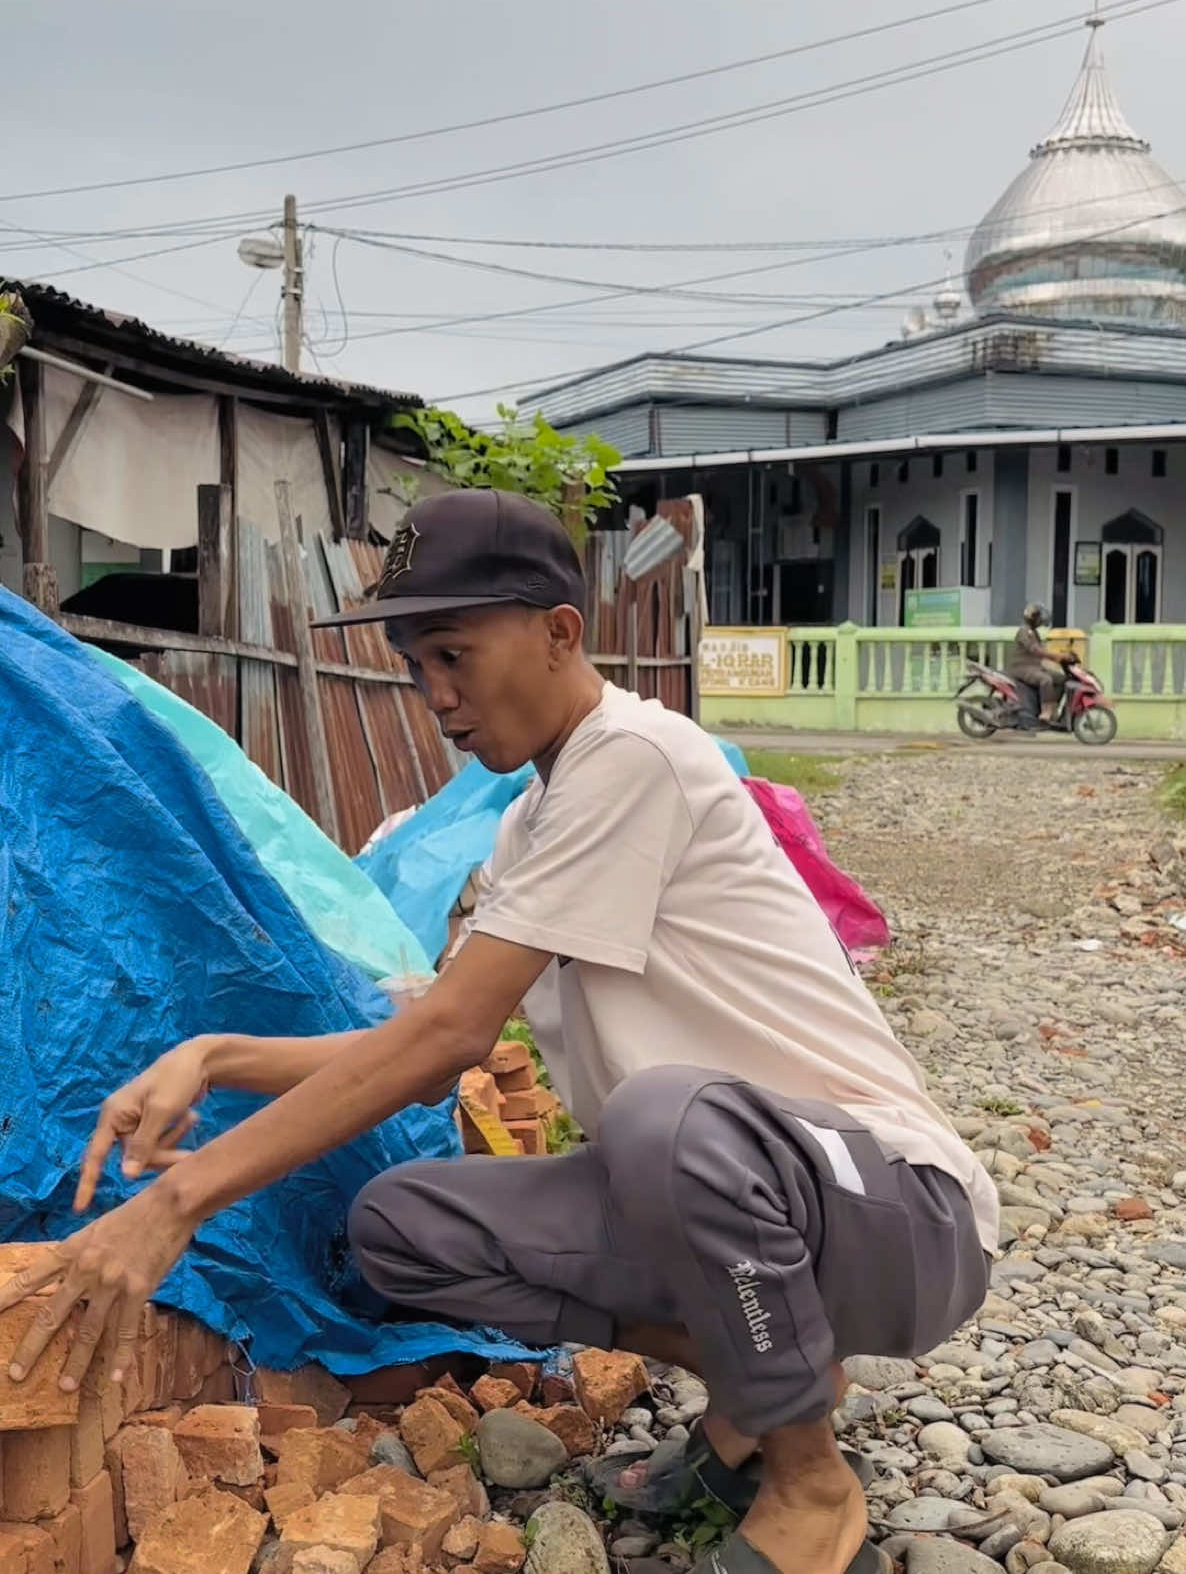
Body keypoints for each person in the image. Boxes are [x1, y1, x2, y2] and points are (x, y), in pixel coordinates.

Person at [0, 490, 998, 1574]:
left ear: (559, 632)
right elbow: (434, 1030)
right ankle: (774, 1383)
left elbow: (447, 1038)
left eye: (454, 655)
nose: (434, 694)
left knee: (662, 1120)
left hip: (898, 1211)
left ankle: (812, 1487)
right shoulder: (534, 816)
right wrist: (209, 1056)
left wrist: (178, 1199)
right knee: (403, 1225)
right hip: (755, 1205)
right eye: (415, 663)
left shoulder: (638, 758)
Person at [1007, 602, 1065, 724]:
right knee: (1045, 680)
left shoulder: (1034, 632)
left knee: (1061, 679)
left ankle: (1053, 707)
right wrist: (1056, 656)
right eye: (1039, 618)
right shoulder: (1025, 631)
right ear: (1033, 617)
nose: (1040, 622)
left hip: (1034, 667)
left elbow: (1042, 651)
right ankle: (1045, 712)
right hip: (1021, 668)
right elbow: (1036, 650)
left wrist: (1062, 656)